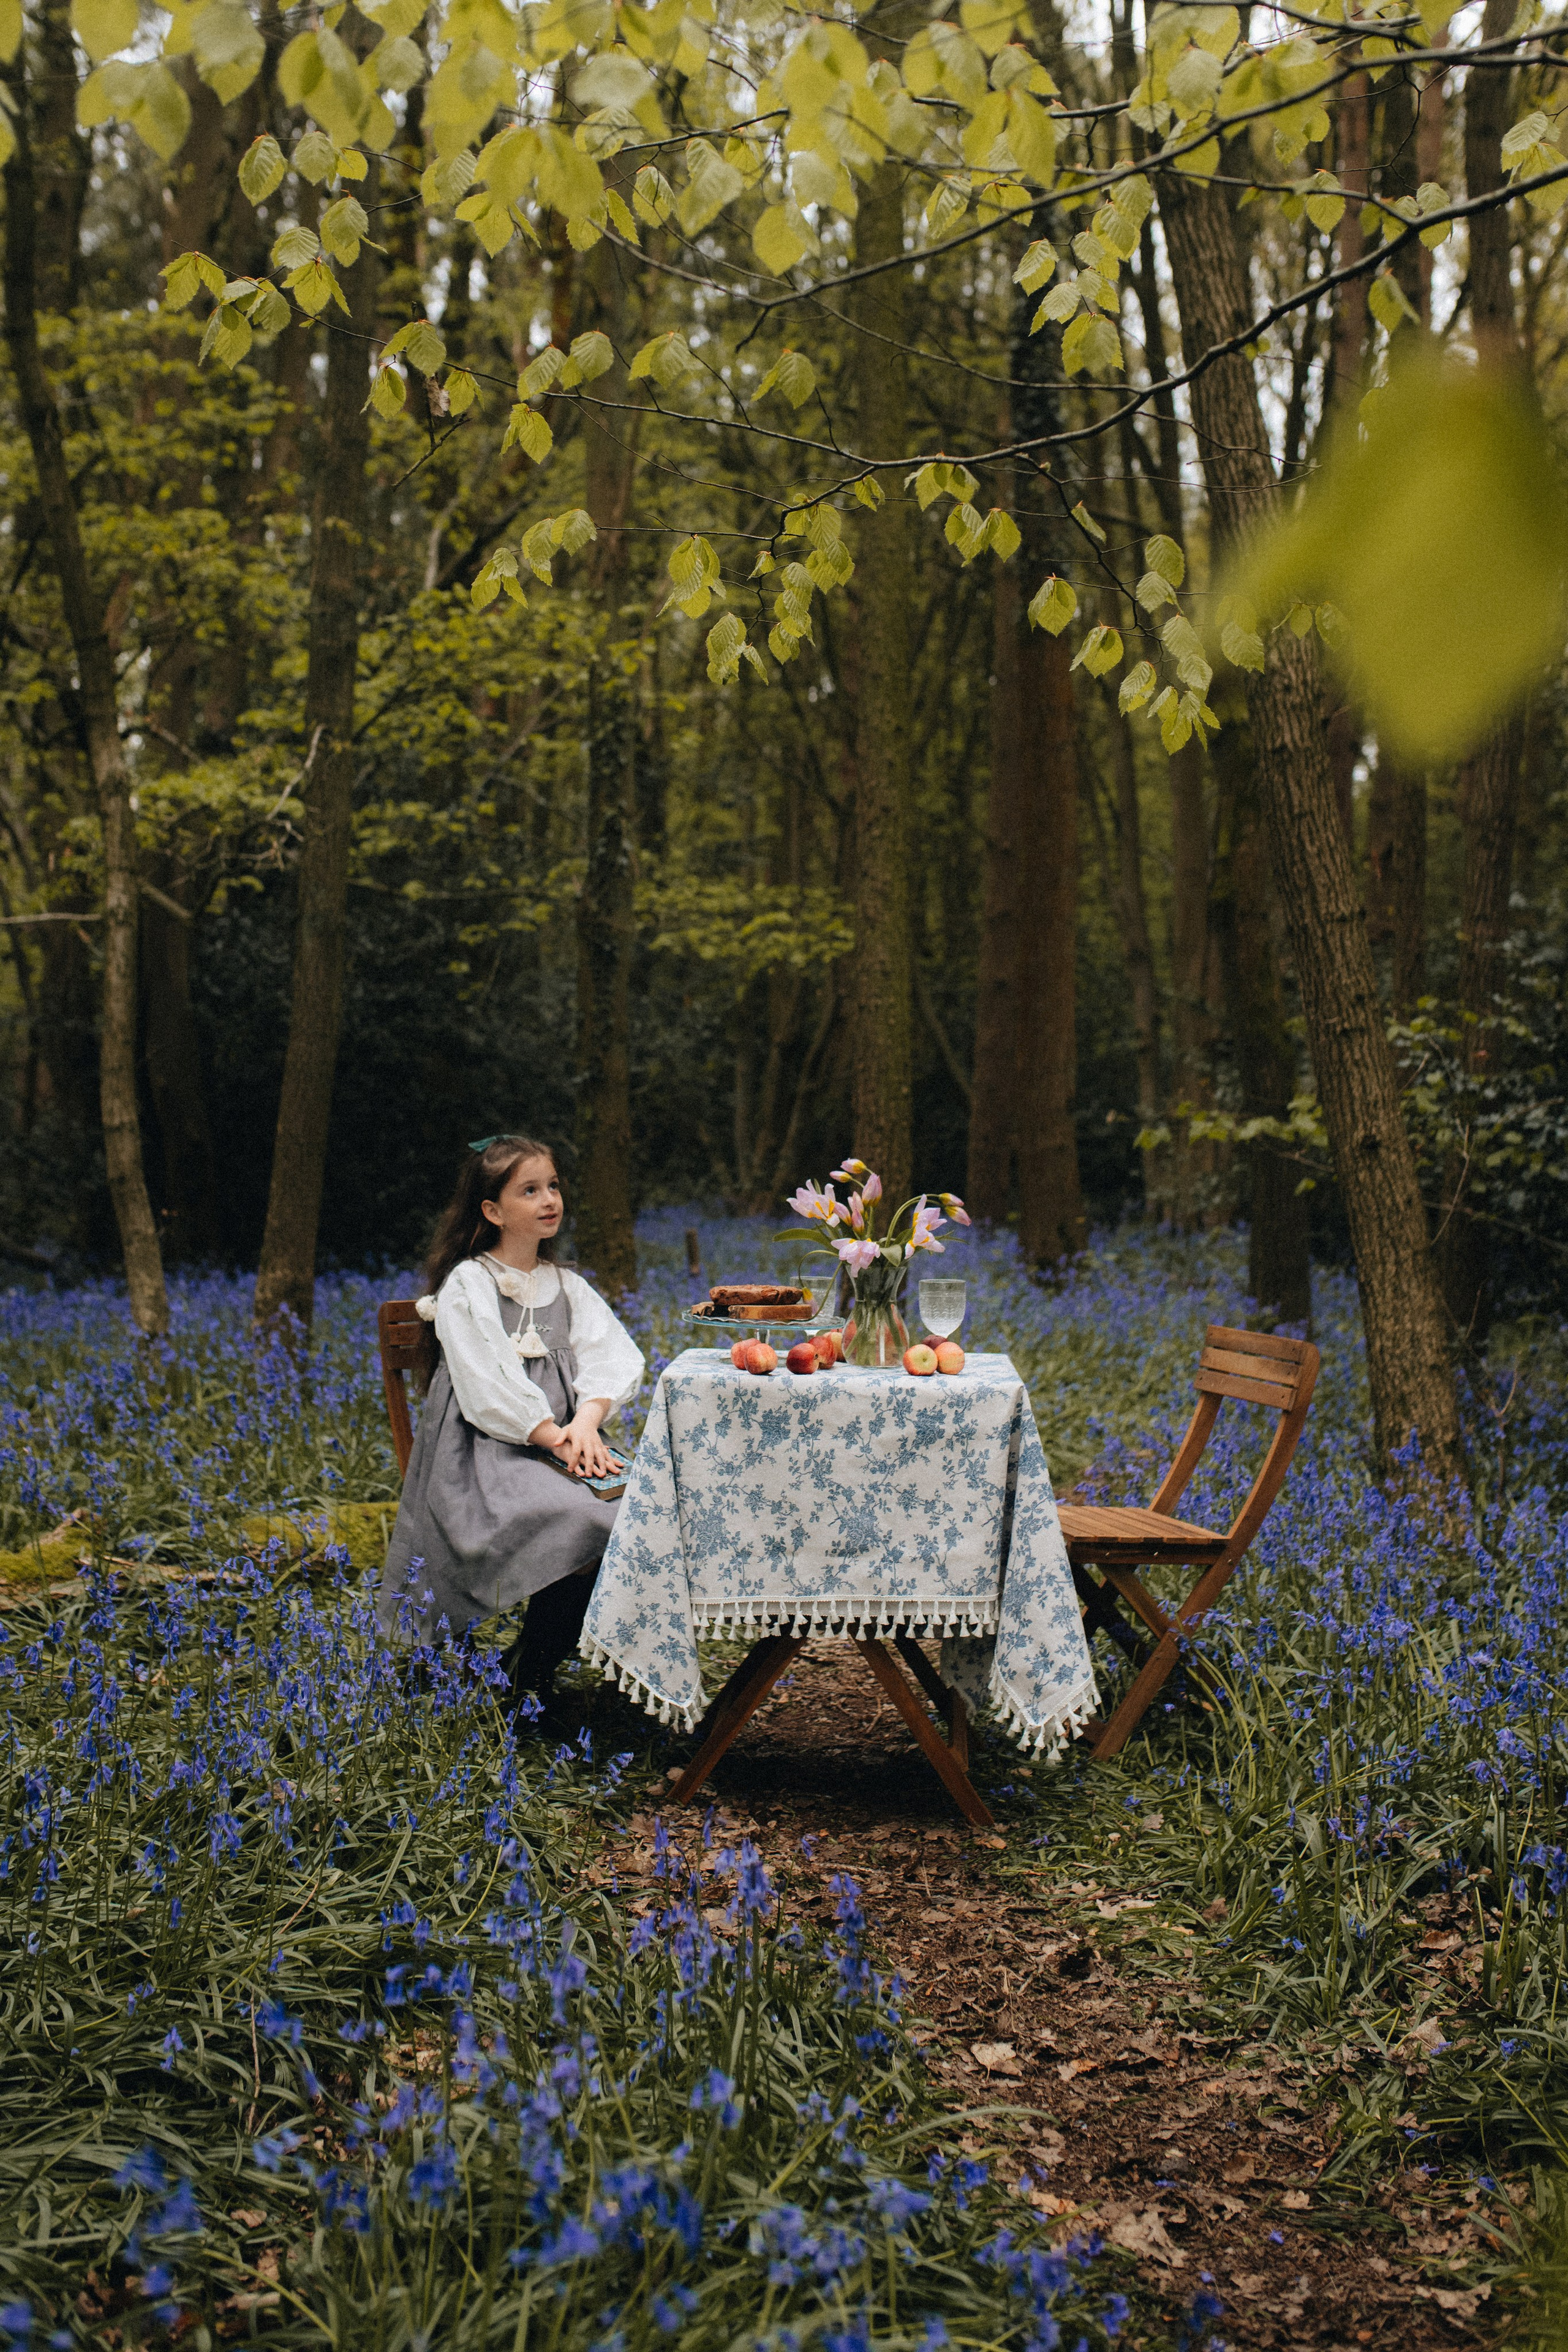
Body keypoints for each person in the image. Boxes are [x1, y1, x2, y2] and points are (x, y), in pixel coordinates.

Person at [377, 1133, 644, 1731]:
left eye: (553, 1186)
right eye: (530, 1190)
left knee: (633, 1510)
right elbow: (485, 1380)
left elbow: (611, 1356)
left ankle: (531, 1671)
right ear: (493, 1211)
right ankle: (526, 1684)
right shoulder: (470, 1283)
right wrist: (556, 1436)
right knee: (585, 1519)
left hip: (560, 1447)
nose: (549, 1200)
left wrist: (585, 1423)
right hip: (482, 1456)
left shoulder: (566, 1285)